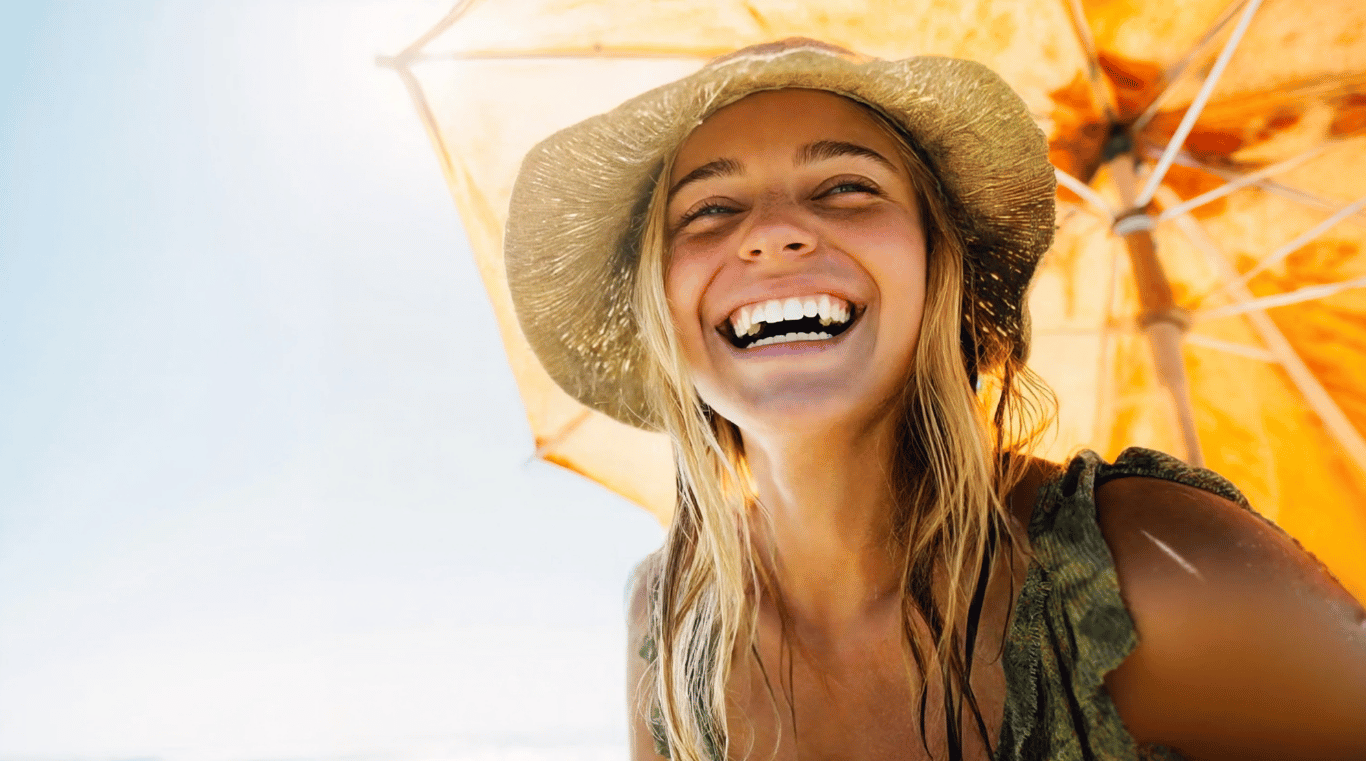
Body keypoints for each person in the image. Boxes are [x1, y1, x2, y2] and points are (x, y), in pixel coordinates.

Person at [501, 39, 1366, 761]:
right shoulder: (670, 618)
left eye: (846, 186)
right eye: (710, 209)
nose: (771, 231)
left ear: (936, 268)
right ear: (663, 303)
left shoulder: (1155, 563)